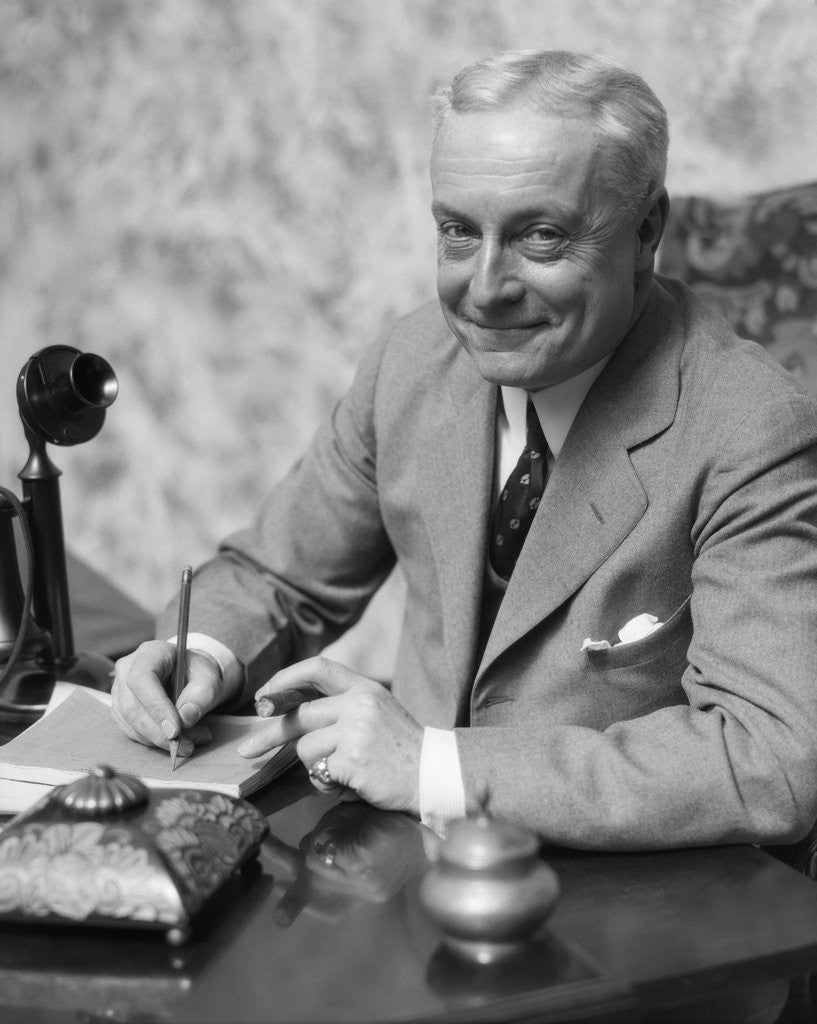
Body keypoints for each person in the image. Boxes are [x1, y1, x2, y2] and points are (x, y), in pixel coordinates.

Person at [112, 49, 817, 850]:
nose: (483, 288)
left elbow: (770, 759)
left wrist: (433, 767)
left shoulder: (752, 426)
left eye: (540, 236)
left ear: (644, 232)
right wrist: (199, 653)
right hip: (406, 873)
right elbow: (278, 573)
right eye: (457, 232)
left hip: (634, 911)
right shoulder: (412, 360)